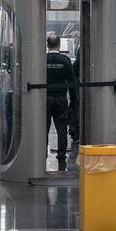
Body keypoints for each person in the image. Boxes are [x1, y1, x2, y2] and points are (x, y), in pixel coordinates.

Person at [45, 34, 78, 171]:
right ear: (59, 45)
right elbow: (71, 82)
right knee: (62, 130)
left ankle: (41, 155)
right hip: (61, 99)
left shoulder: (42, 59)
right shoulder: (65, 60)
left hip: (45, 98)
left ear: (47, 45)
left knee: (43, 130)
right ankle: (61, 158)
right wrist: (73, 101)